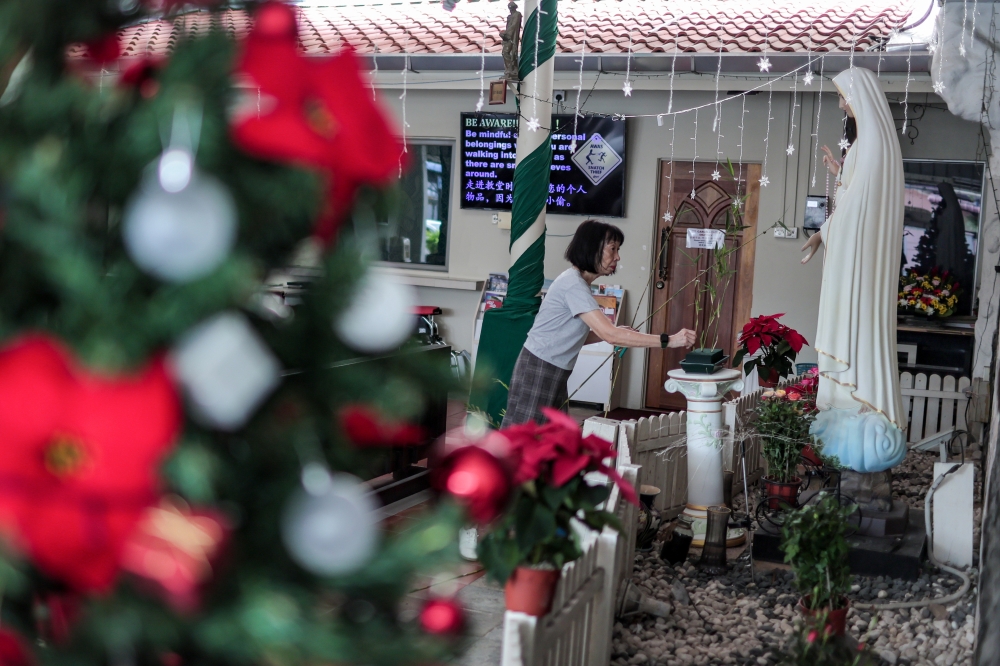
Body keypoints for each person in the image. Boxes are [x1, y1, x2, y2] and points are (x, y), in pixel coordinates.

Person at [798, 67, 906, 474]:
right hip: (854, 257)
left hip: (859, 265)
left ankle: (860, 398)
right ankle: (849, 399)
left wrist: (824, 232)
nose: (842, 103)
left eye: (844, 96)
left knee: (855, 327)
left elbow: (860, 214)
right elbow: (857, 201)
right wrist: (840, 175)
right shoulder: (871, 145)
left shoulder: (872, 144)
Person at [501, 220, 696, 427]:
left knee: (550, 440)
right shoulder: (573, 285)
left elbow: (575, 336)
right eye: (612, 249)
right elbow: (609, 335)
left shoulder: (578, 283)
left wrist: (616, 333)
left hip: (551, 369)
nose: (618, 257)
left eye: (618, 250)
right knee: (523, 440)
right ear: (592, 248)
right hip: (539, 368)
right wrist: (669, 340)